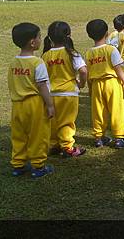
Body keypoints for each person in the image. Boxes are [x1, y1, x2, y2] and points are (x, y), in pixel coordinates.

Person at [9, 22, 55, 178]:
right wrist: (49, 105)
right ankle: (38, 166)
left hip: (17, 105)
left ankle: (18, 164)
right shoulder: (37, 63)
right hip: (34, 104)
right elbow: (42, 86)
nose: (41, 39)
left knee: (19, 135)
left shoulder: (14, 62)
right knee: (38, 134)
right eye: (39, 36)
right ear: (32, 42)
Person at [42, 21, 87, 157]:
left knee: (53, 121)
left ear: (49, 37)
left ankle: (53, 144)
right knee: (67, 121)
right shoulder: (71, 53)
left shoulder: (45, 55)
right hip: (68, 93)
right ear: (69, 35)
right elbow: (83, 71)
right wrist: (81, 84)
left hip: (51, 94)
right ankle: (67, 147)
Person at [85, 19, 124, 148]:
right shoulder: (111, 50)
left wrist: (90, 88)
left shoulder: (89, 53)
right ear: (106, 33)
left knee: (98, 111)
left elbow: (88, 73)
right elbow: (118, 68)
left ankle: (98, 137)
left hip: (96, 85)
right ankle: (119, 137)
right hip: (112, 84)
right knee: (117, 110)